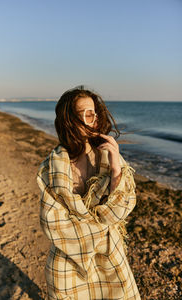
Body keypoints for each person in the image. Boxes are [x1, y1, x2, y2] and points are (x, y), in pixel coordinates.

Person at [37, 86, 141, 299]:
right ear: (69, 120)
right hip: (68, 257)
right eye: (87, 113)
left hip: (109, 253)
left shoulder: (108, 157)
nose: (94, 119)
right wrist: (100, 225)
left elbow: (122, 208)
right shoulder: (52, 167)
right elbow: (52, 222)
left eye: (95, 112)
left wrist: (115, 169)